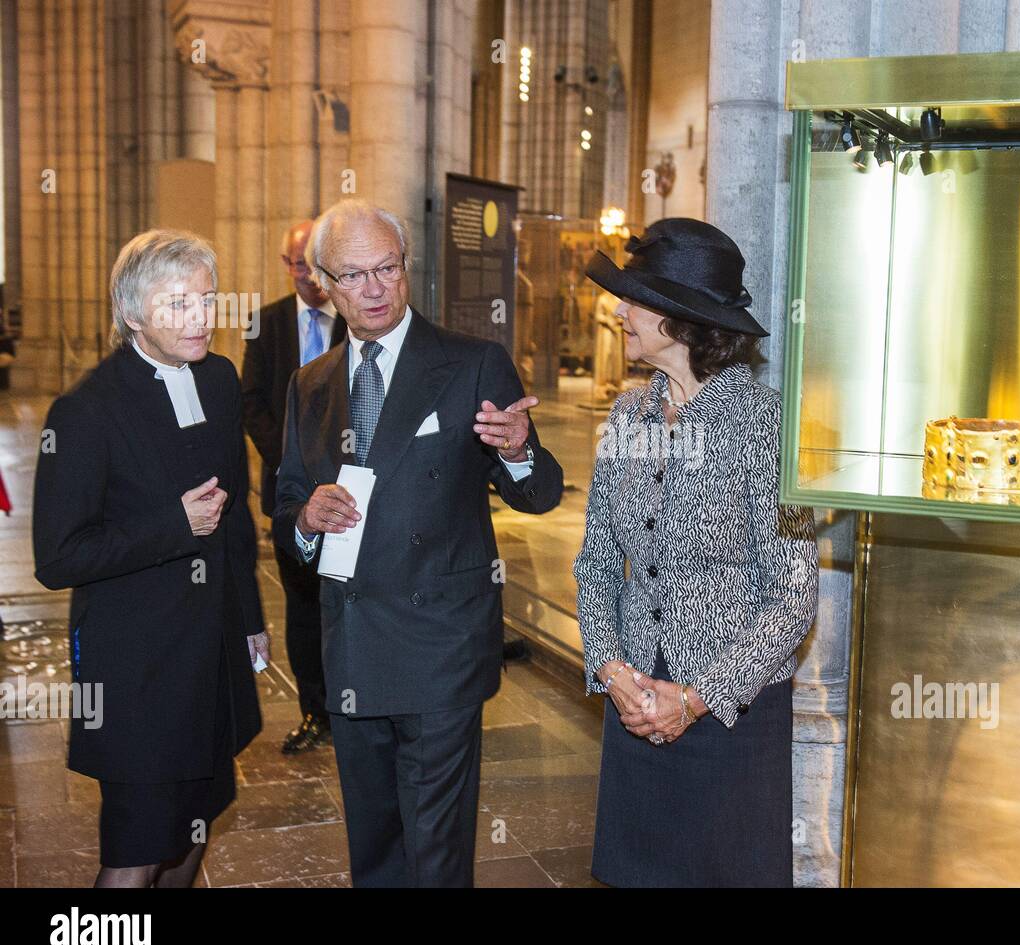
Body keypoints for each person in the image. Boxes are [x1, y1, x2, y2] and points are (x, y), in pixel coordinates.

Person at [272, 198, 564, 887]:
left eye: (387, 268)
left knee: (435, 850)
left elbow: (540, 491)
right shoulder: (309, 384)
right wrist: (305, 519)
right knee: (374, 846)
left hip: (440, 646)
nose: (374, 289)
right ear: (323, 283)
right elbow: (286, 503)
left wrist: (520, 451)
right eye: (353, 275)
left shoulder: (472, 363)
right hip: (351, 642)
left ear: (406, 269)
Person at [573, 217, 819, 887]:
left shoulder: (765, 425)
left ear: (682, 320)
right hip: (636, 708)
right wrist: (612, 667)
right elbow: (596, 562)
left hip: (728, 722)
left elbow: (792, 597)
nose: (618, 311)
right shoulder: (627, 417)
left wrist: (697, 697)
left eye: (634, 299)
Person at [32, 229, 268, 887]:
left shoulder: (218, 379)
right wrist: (174, 525)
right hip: (137, 670)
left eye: (206, 300)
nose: (200, 318)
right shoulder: (85, 410)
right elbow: (57, 557)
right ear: (134, 313)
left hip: (211, 652)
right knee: (136, 849)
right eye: (177, 304)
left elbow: (236, 513)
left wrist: (249, 616)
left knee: (197, 822)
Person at [242, 219, 348, 754]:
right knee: (303, 606)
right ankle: (315, 712)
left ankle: (354, 704)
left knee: (350, 602)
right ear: (286, 265)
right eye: (295, 263)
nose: (304, 273)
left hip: (348, 492)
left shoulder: (353, 320)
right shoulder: (265, 324)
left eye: (312, 262)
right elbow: (252, 400)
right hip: (288, 496)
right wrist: (290, 460)